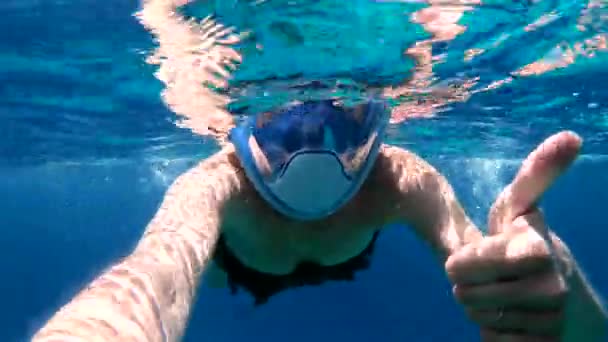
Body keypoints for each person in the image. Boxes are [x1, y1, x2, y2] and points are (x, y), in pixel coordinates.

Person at [32, 1, 606, 342]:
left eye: (344, 120)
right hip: (244, 265)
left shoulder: (400, 179)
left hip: (322, 255)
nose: (314, 147)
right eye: (284, 123)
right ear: (239, 128)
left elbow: (489, 264)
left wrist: (559, 298)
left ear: (380, 121)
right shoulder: (215, 184)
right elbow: (153, 275)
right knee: (199, 268)